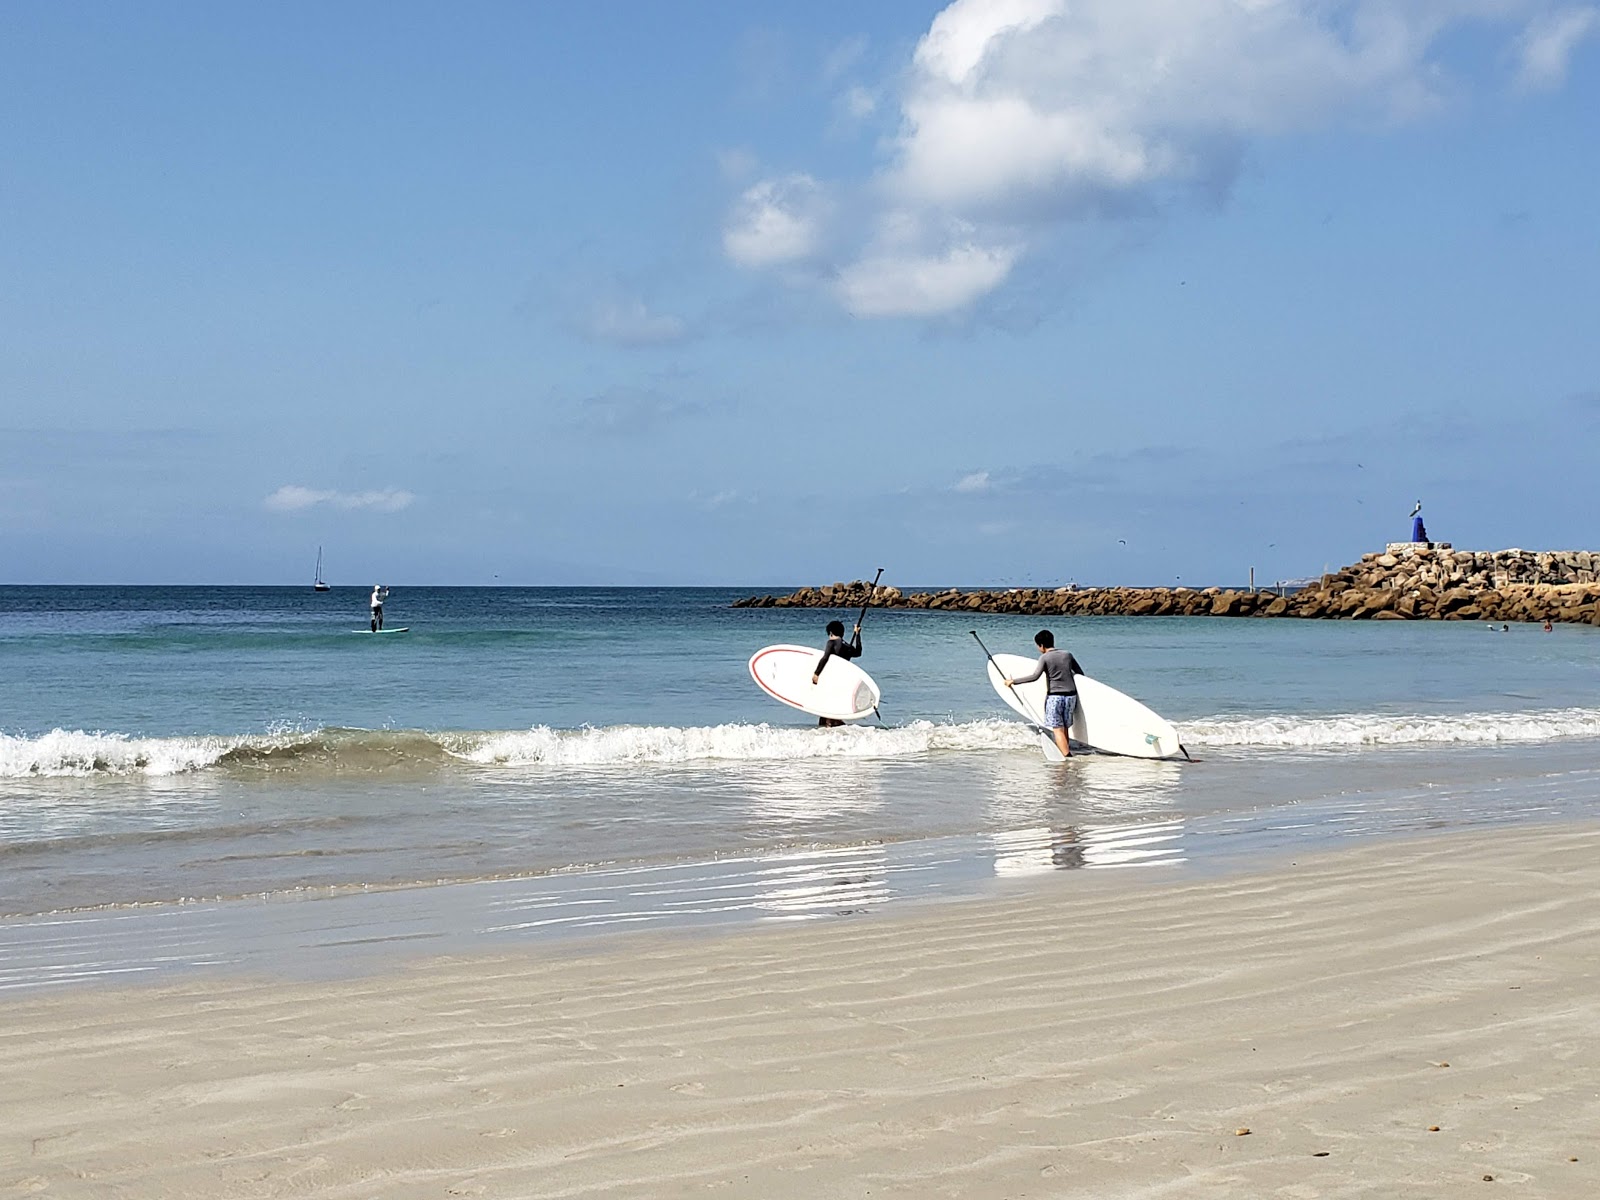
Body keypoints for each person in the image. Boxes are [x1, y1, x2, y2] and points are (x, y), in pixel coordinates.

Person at [1004, 629, 1085, 758]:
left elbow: (1035, 676)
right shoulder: (1067, 655)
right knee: (1064, 727)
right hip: (1071, 696)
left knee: (1057, 728)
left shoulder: (1045, 657)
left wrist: (1013, 681)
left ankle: (1066, 757)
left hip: (1055, 697)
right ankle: (1065, 751)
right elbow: (1080, 674)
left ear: (1041, 645)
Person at [811, 617, 861, 728]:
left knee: (825, 710)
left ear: (831, 632)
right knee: (833, 707)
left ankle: (826, 730)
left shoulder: (832, 643)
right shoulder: (847, 646)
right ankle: (835, 727)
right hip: (843, 680)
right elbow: (858, 652)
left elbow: (825, 658)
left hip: (831, 679)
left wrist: (816, 674)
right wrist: (857, 634)